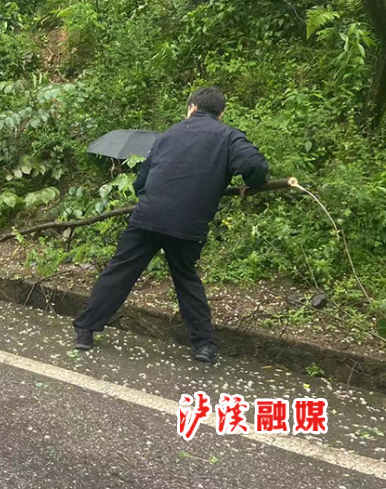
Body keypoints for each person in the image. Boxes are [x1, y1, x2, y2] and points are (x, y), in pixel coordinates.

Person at [72, 86, 269, 364]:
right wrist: (253, 184)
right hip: (188, 224)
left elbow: (141, 181)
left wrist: (152, 199)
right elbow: (256, 166)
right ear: (221, 114)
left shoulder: (168, 135)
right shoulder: (229, 137)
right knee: (186, 279)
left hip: (148, 216)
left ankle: (85, 331)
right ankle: (204, 346)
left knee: (120, 272)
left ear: (191, 107)